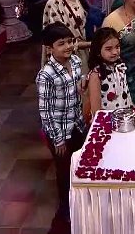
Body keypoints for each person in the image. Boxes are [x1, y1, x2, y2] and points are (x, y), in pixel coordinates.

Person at [37, 22, 87, 223]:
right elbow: (45, 111)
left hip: (77, 124)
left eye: (69, 41)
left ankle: (81, 200)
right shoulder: (46, 75)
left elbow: (79, 81)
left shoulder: (75, 61)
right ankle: (65, 208)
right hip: (59, 130)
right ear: (50, 49)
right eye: (61, 43)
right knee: (64, 169)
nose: (68, 46)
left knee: (79, 163)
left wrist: (83, 82)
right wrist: (58, 139)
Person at [87, 27, 133, 114]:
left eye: (117, 47)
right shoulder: (96, 75)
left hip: (124, 117)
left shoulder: (120, 68)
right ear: (98, 51)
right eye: (109, 49)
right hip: (107, 119)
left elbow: (126, 96)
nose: (115, 52)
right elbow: (96, 110)